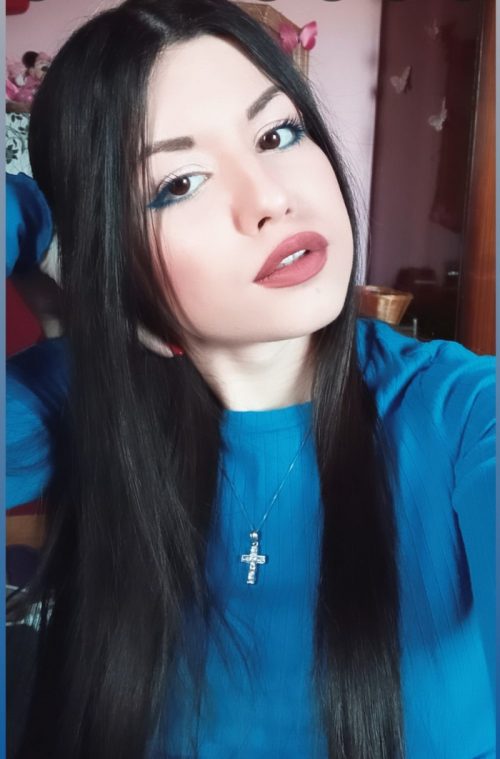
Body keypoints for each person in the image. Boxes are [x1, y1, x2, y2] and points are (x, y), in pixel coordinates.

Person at [6, 1, 495, 757]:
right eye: (179, 183)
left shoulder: (461, 411)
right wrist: (38, 227)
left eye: (277, 135)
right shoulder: (78, 400)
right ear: (107, 248)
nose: (270, 197)